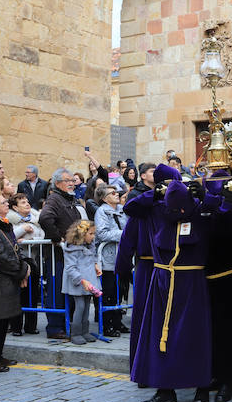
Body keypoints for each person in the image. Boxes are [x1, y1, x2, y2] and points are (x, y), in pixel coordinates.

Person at [134, 179, 212, 402]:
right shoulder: (158, 213)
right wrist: (154, 193)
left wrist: (206, 196)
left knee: (194, 337)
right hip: (163, 284)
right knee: (161, 338)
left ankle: (202, 386)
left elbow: (226, 211)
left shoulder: (200, 215)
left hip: (191, 286)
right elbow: (132, 207)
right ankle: (165, 389)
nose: (175, 211)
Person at [119, 164, 180, 384]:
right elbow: (128, 237)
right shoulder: (144, 206)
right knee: (146, 319)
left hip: (167, 268)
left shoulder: (174, 206)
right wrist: (123, 268)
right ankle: (143, 368)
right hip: (147, 268)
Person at [203, 169, 232, 402]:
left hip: (229, 277)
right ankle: (217, 374)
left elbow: (224, 227)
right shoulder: (209, 206)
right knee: (213, 331)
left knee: (228, 331)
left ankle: (229, 379)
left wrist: (215, 202)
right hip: (207, 277)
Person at [0, 190, 29, 372]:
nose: (7, 205)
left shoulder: (4, 224)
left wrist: (22, 266)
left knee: (3, 321)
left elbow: (14, 248)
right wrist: (19, 270)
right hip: (0, 278)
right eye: (3, 203)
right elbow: (1, 254)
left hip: (9, 278)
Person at [39, 168, 81, 339]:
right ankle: (55, 328)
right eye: (67, 180)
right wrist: (58, 238)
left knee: (67, 290)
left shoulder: (68, 198)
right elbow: (45, 219)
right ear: (57, 183)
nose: (71, 183)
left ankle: (65, 324)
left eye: (72, 180)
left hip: (71, 254)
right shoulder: (55, 199)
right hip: (58, 254)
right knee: (57, 290)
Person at [7, 193, 43, 336]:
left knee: (32, 294)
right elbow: (10, 236)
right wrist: (22, 230)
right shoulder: (11, 220)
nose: (27, 204)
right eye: (22, 202)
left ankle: (31, 326)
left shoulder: (35, 219)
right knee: (18, 294)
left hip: (32, 260)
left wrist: (31, 238)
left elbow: (41, 234)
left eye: (27, 201)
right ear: (15, 207)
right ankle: (16, 326)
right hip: (17, 262)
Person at [62, 220, 101, 345]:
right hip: (78, 282)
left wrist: (95, 265)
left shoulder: (89, 245)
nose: (93, 236)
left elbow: (94, 256)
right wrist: (81, 280)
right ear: (82, 234)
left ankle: (85, 331)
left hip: (88, 280)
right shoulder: (72, 249)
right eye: (91, 233)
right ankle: (76, 333)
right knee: (80, 306)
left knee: (86, 307)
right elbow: (70, 268)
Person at [94, 185, 126, 337]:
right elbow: (102, 233)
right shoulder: (101, 211)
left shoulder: (121, 210)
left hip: (122, 256)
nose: (116, 194)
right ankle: (108, 325)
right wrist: (125, 234)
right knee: (109, 292)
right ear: (104, 198)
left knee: (120, 292)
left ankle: (118, 321)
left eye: (117, 192)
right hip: (108, 257)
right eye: (112, 193)